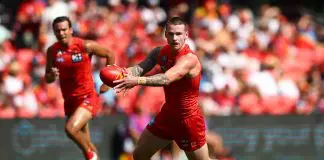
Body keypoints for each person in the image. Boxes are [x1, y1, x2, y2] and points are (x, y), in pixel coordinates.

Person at [114, 16, 209, 160]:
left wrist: (137, 81)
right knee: (139, 154)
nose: (175, 38)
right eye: (171, 34)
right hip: (167, 115)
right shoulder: (159, 52)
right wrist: (119, 75)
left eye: (178, 34)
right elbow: (139, 68)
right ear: (165, 34)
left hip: (187, 120)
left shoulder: (189, 59)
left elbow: (166, 78)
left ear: (186, 35)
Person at [44, 16, 114, 160]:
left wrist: (108, 82)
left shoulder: (84, 46)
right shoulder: (52, 51)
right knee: (86, 143)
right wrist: (51, 75)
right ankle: (91, 154)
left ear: (70, 30)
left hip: (88, 96)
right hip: (70, 100)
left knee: (70, 129)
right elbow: (48, 78)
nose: (61, 33)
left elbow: (109, 54)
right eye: (58, 31)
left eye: (64, 29)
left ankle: (91, 155)